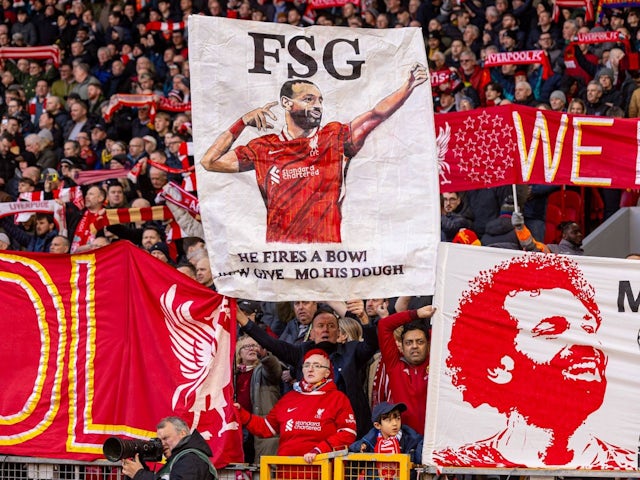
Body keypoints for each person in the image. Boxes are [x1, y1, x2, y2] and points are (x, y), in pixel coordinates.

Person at [432, 254, 635, 468]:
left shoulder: (629, 465)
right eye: (553, 329)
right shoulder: (463, 463)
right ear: (498, 366)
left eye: (588, 328)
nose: (584, 342)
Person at [201, 64, 428, 244]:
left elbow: (375, 115)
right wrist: (242, 122)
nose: (318, 105)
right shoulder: (262, 147)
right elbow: (209, 162)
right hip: (283, 261)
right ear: (286, 103)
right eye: (308, 99)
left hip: (327, 258)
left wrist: (407, 86)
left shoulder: (334, 136)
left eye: (320, 100)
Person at [237, 307, 377, 437]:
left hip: (351, 431)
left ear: (339, 333)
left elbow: (372, 344)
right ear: (311, 334)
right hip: (314, 433)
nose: (326, 330)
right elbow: (271, 343)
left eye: (331, 326)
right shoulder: (301, 353)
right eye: (320, 326)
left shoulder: (352, 351)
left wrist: (364, 318)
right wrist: (242, 319)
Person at [233, 349, 357, 463]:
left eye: (317, 366)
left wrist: (320, 450)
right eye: (307, 365)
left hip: (321, 470)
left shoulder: (337, 398)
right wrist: (240, 413)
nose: (310, 369)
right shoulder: (289, 398)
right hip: (286, 470)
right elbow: (266, 428)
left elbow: (347, 433)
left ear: (327, 373)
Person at [377, 305, 435, 434]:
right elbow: (384, 325)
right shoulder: (395, 365)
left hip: (435, 439)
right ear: (401, 347)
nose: (414, 346)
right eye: (409, 343)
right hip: (406, 441)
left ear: (429, 344)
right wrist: (416, 313)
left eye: (420, 342)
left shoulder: (437, 363)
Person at [121, 416, 217, 480]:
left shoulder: (190, 458)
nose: (162, 444)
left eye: (166, 438)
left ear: (182, 434)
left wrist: (140, 474)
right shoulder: (179, 459)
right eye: (159, 440)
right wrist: (138, 468)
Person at [234, 335, 282, 463]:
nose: (252, 349)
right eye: (246, 346)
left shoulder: (263, 369)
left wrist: (265, 357)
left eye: (254, 345)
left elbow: (274, 370)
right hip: (239, 427)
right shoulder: (233, 373)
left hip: (260, 426)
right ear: (239, 353)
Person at [349, 402, 422, 464]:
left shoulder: (411, 439)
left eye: (398, 418)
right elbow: (352, 448)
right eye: (389, 420)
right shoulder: (371, 440)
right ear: (377, 425)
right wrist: (361, 446)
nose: (395, 423)